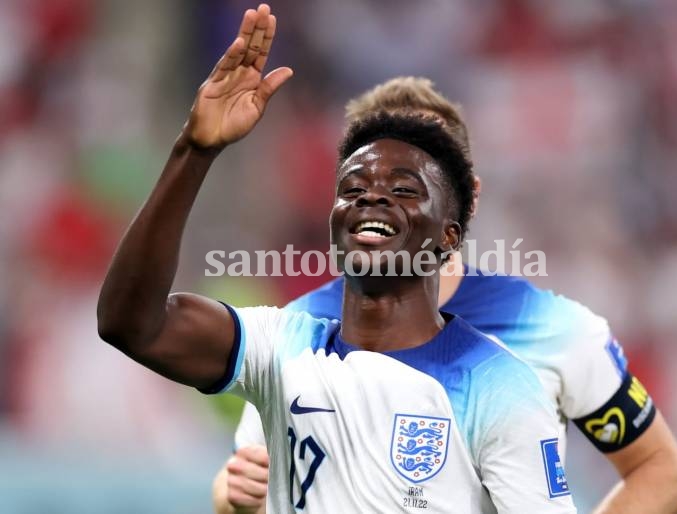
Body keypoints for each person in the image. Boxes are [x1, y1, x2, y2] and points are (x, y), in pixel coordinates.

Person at [97, 5, 576, 513]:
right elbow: (131, 325)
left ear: (448, 236)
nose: (372, 197)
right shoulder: (280, 348)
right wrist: (194, 151)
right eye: (354, 187)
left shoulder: (500, 386)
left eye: (403, 188)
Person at [213, 77, 677, 514]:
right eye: (368, 175)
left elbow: (661, 472)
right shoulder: (299, 330)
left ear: (468, 196)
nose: (384, 193)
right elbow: (246, 481)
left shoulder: (554, 328)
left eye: (413, 178)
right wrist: (233, 495)